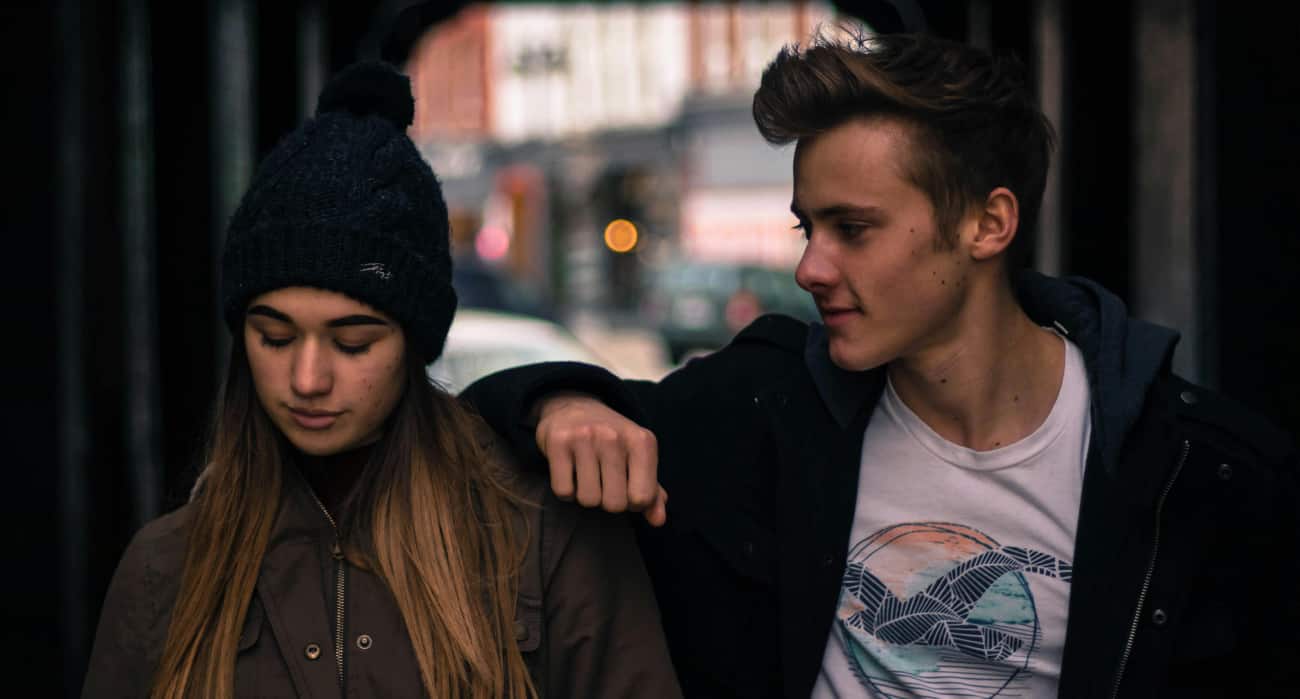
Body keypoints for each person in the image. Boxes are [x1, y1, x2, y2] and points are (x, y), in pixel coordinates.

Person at [462, 31, 1299, 698]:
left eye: (852, 229)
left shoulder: (1196, 471)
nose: (809, 269)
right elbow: (464, 420)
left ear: (988, 224)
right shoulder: (766, 406)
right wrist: (559, 401)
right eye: (806, 229)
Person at [82, 61, 680, 699]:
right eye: (274, 337)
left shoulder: (541, 538)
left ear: (413, 344)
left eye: (353, 342)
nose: (307, 379)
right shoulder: (165, 568)